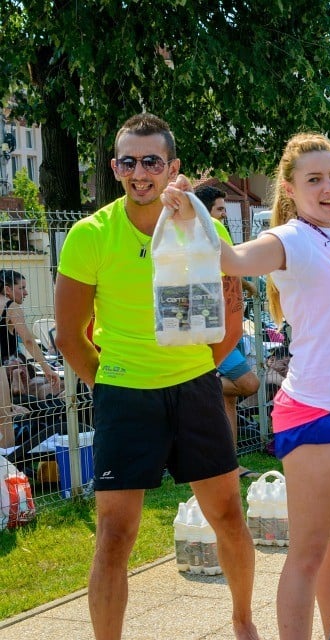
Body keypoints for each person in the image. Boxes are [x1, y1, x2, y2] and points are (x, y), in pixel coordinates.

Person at [163, 132, 330, 640]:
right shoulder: (291, 239)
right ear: (290, 186)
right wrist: (196, 214)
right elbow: (233, 261)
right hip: (316, 410)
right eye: (315, 180)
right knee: (309, 552)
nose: (328, 188)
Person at [53, 113, 259, 640]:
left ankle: (243, 622)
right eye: (128, 161)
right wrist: (112, 383)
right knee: (114, 535)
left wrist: (195, 368)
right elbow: (69, 335)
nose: (139, 172)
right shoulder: (89, 235)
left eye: (151, 161)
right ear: (114, 166)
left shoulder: (205, 228)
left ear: (173, 167)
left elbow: (229, 319)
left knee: (229, 518)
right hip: (125, 395)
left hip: (194, 389)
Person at [195, 186, 262, 478]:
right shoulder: (213, 228)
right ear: (207, 210)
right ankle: (192, 387)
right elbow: (231, 264)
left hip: (221, 329)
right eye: (221, 208)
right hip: (215, 332)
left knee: (230, 399)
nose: (225, 214)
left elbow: (226, 270)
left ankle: (229, 465)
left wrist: (246, 287)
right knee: (249, 384)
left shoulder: (201, 231)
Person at [0, 269, 62, 398]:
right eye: (21, 288)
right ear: (7, 289)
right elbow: (28, 341)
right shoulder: (11, 307)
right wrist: (47, 369)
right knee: (58, 388)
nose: (26, 292)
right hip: (6, 374)